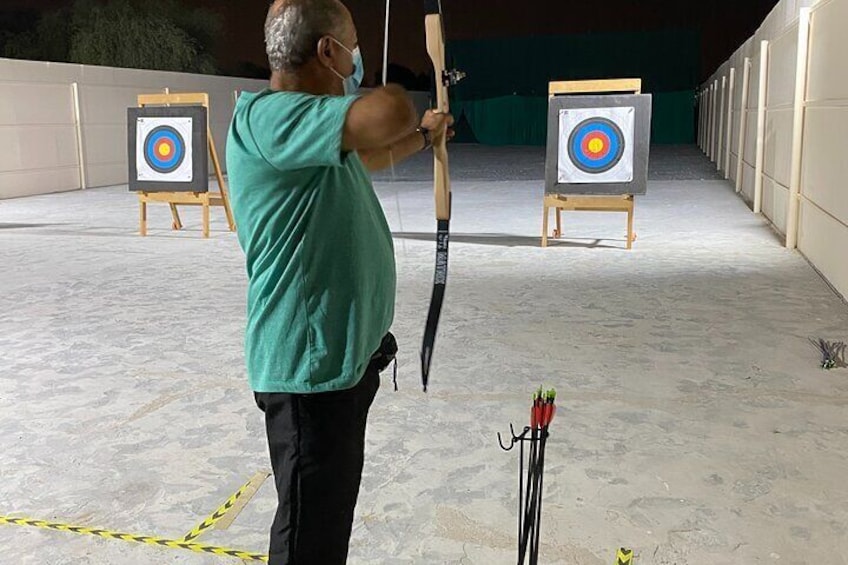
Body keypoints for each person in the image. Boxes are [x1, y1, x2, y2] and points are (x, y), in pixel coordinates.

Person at [225, 0, 453, 563]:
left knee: (326, 526)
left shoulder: (310, 140)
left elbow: (371, 155)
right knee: (310, 542)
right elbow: (383, 116)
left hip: (341, 367)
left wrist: (425, 139)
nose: (356, 60)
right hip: (309, 377)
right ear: (329, 52)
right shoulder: (270, 116)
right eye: (352, 47)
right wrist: (407, 94)